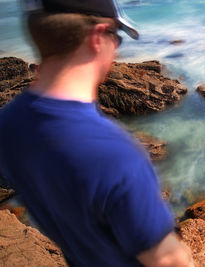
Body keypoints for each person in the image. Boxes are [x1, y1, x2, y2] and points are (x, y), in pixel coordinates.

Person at [0, 0, 194, 266]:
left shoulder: (9, 123)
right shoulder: (116, 155)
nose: (116, 47)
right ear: (96, 37)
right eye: (116, 37)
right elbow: (168, 261)